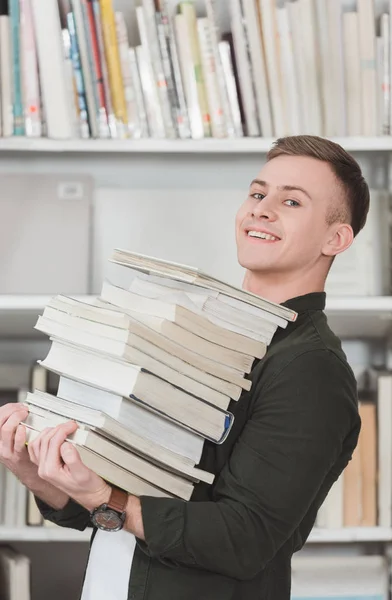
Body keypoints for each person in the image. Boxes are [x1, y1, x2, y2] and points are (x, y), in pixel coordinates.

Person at [0, 135, 367, 600]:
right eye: (258, 194)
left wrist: (104, 498)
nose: (262, 208)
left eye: (291, 201)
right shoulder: (201, 333)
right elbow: (121, 505)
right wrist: (43, 475)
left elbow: (243, 538)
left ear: (336, 238)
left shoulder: (311, 368)